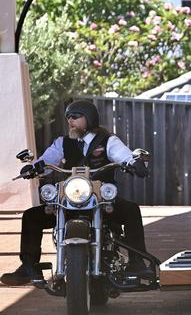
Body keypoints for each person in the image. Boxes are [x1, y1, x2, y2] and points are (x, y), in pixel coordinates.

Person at [1, 100, 151, 286]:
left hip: (101, 199)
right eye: (68, 117)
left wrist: (134, 163)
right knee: (32, 216)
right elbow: (48, 159)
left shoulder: (108, 141)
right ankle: (28, 267)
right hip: (69, 199)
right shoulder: (63, 142)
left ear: (89, 118)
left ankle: (137, 262)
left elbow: (123, 155)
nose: (70, 121)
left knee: (131, 210)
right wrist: (35, 167)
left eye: (76, 117)